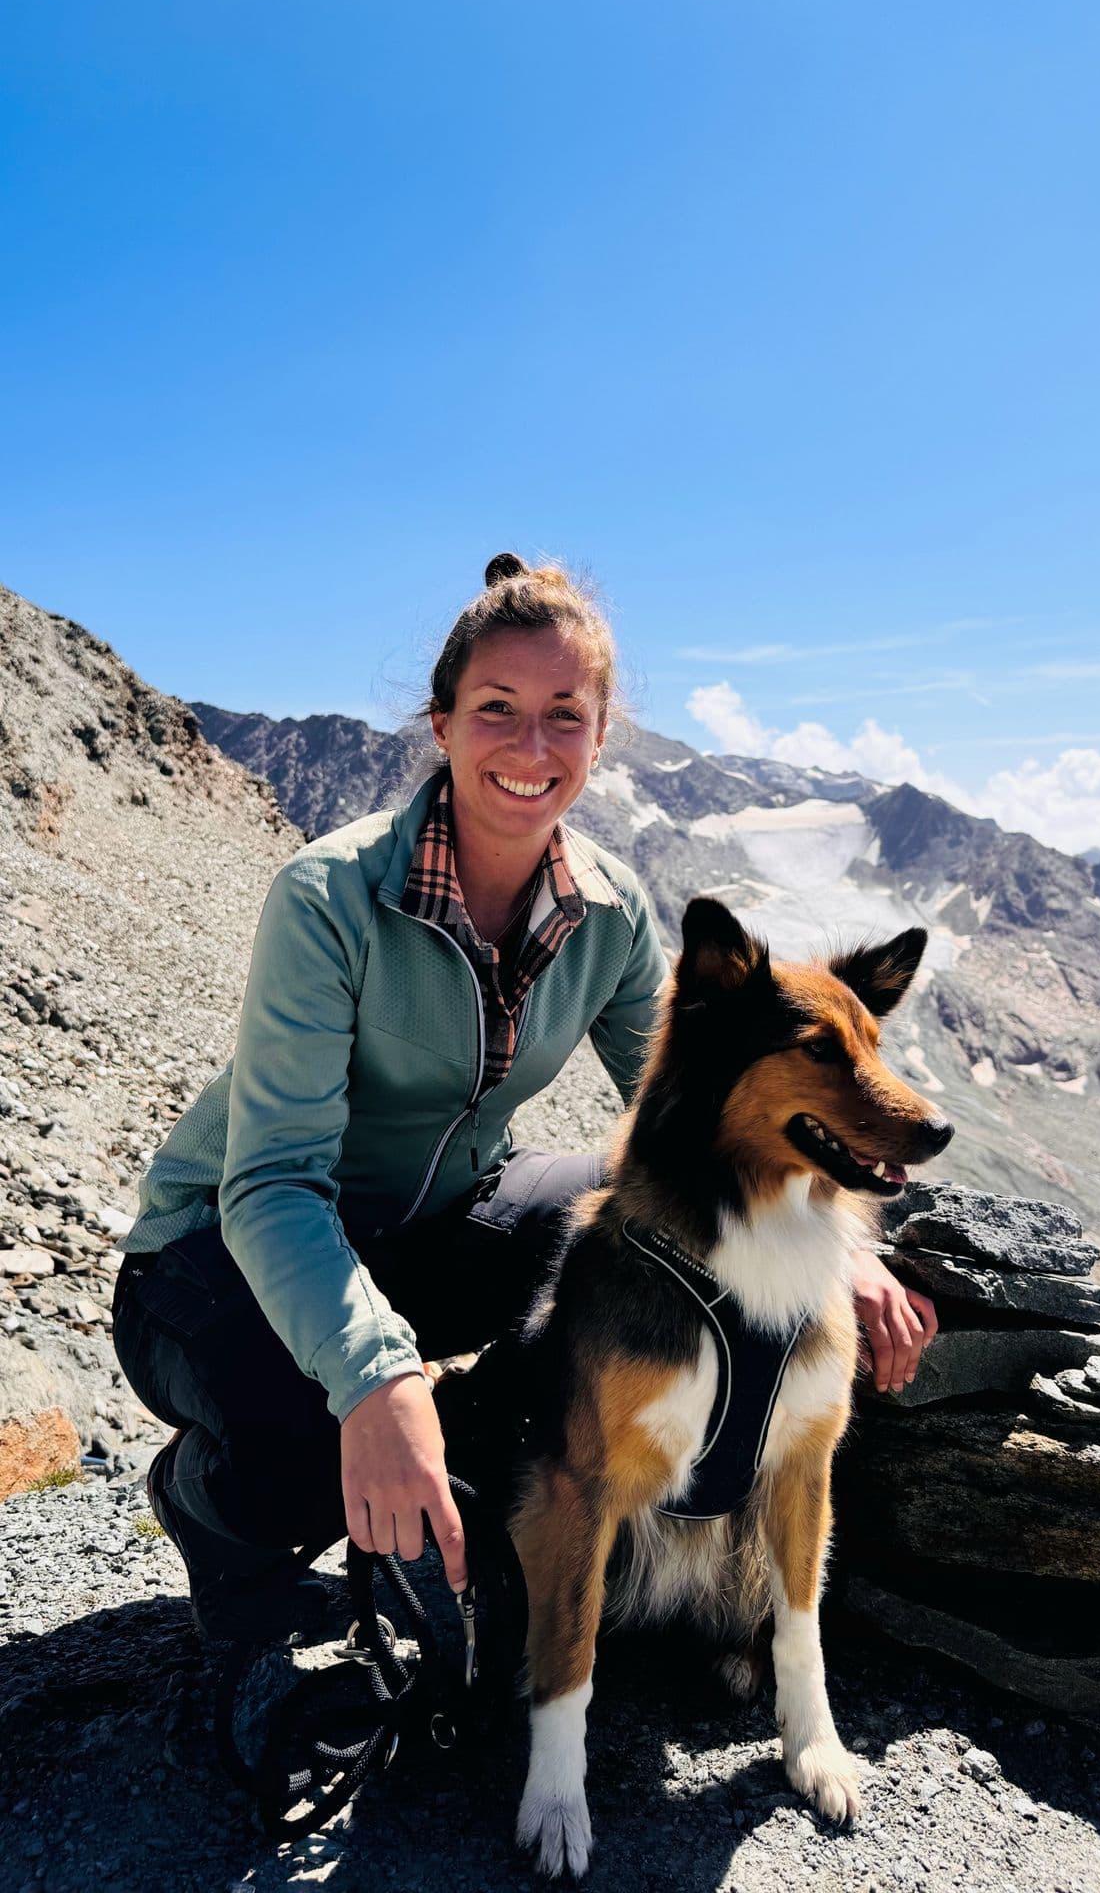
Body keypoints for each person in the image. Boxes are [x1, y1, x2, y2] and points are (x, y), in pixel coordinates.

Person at [113, 554, 937, 1643]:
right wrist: (376, 1379)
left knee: (640, 1223)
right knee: (311, 1434)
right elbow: (271, 1182)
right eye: (497, 708)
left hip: (431, 1224)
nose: (531, 746)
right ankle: (215, 1509)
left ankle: (462, 1451)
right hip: (214, 1252)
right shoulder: (329, 895)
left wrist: (844, 1249)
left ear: (600, 738)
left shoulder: (609, 911)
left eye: (566, 715)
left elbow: (697, 1124)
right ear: (443, 722)